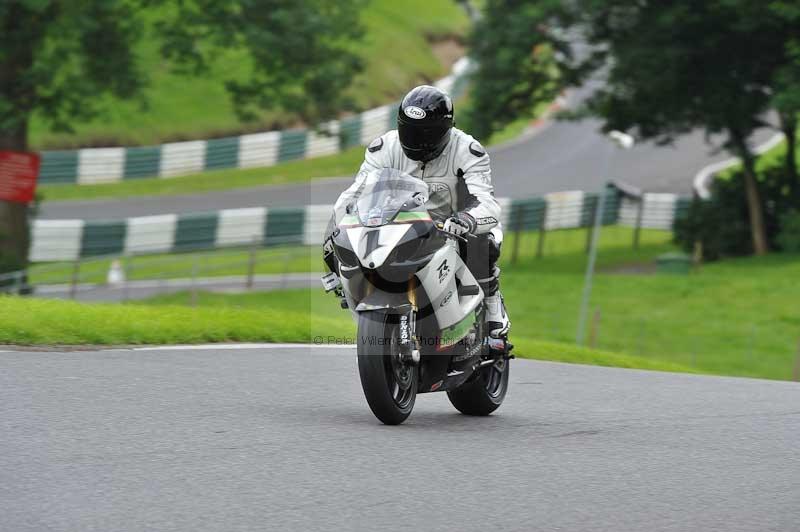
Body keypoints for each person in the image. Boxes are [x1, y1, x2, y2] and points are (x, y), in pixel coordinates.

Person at [328, 85, 510, 338]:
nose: (417, 140)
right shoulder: (384, 148)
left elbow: (486, 203)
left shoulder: (468, 150)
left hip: (454, 225)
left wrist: (467, 220)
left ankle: (492, 307)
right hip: (402, 223)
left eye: (427, 133)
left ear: (447, 130)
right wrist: (337, 224)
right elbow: (356, 193)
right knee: (349, 241)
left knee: (483, 243)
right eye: (410, 132)